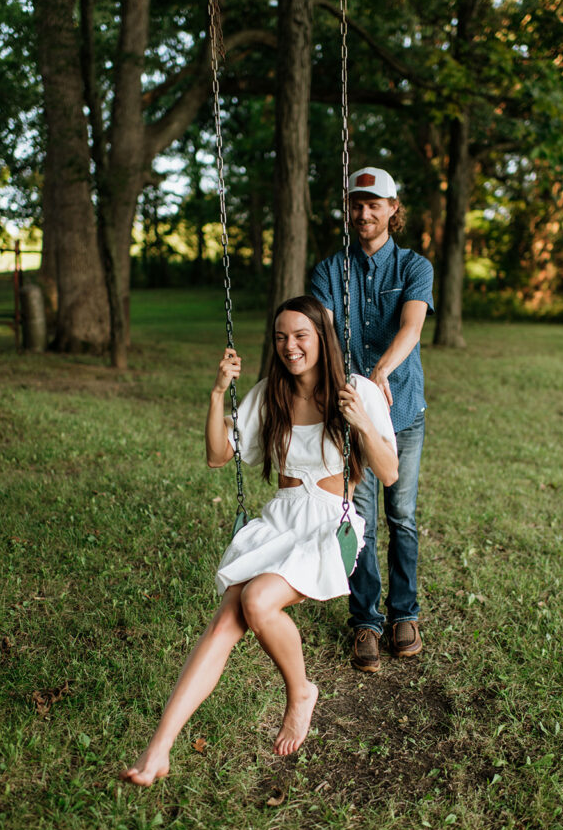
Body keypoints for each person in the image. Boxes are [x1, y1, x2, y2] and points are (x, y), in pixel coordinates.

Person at [120, 295, 397, 785]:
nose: (290, 347)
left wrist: (361, 423)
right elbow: (216, 457)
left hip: (331, 524)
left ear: (322, 339)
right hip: (281, 519)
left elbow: (389, 472)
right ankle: (157, 750)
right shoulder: (269, 393)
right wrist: (216, 393)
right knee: (223, 625)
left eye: (301, 336)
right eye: (281, 337)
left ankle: (301, 691)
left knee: (258, 600)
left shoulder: (356, 391)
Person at [312, 167, 434, 673]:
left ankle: (404, 615)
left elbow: (411, 325)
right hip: (348, 414)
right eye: (356, 204)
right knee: (359, 519)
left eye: (374, 204)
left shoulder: (413, 266)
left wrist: (381, 369)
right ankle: (365, 620)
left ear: (392, 208)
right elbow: (321, 333)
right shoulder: (328, 271)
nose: (364, 212)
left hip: (401, 410)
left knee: (401, 515)